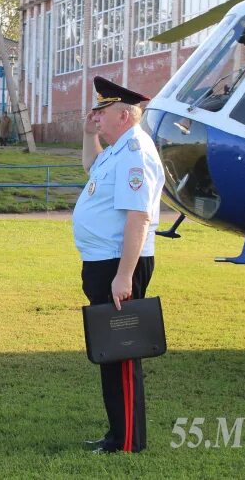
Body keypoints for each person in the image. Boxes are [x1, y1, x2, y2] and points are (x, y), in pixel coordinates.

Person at [72, 76, 165, 454]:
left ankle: (127, 442)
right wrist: (86, 133)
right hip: (103, 263)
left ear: (124, 115)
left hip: (118, 265)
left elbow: (138, 218)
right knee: (110, 352)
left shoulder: (135, 152)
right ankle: (118, 434)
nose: (96, 116)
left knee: (122, 354)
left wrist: (124, 276)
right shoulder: (117, 148)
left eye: (102, 111)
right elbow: (90, 166)